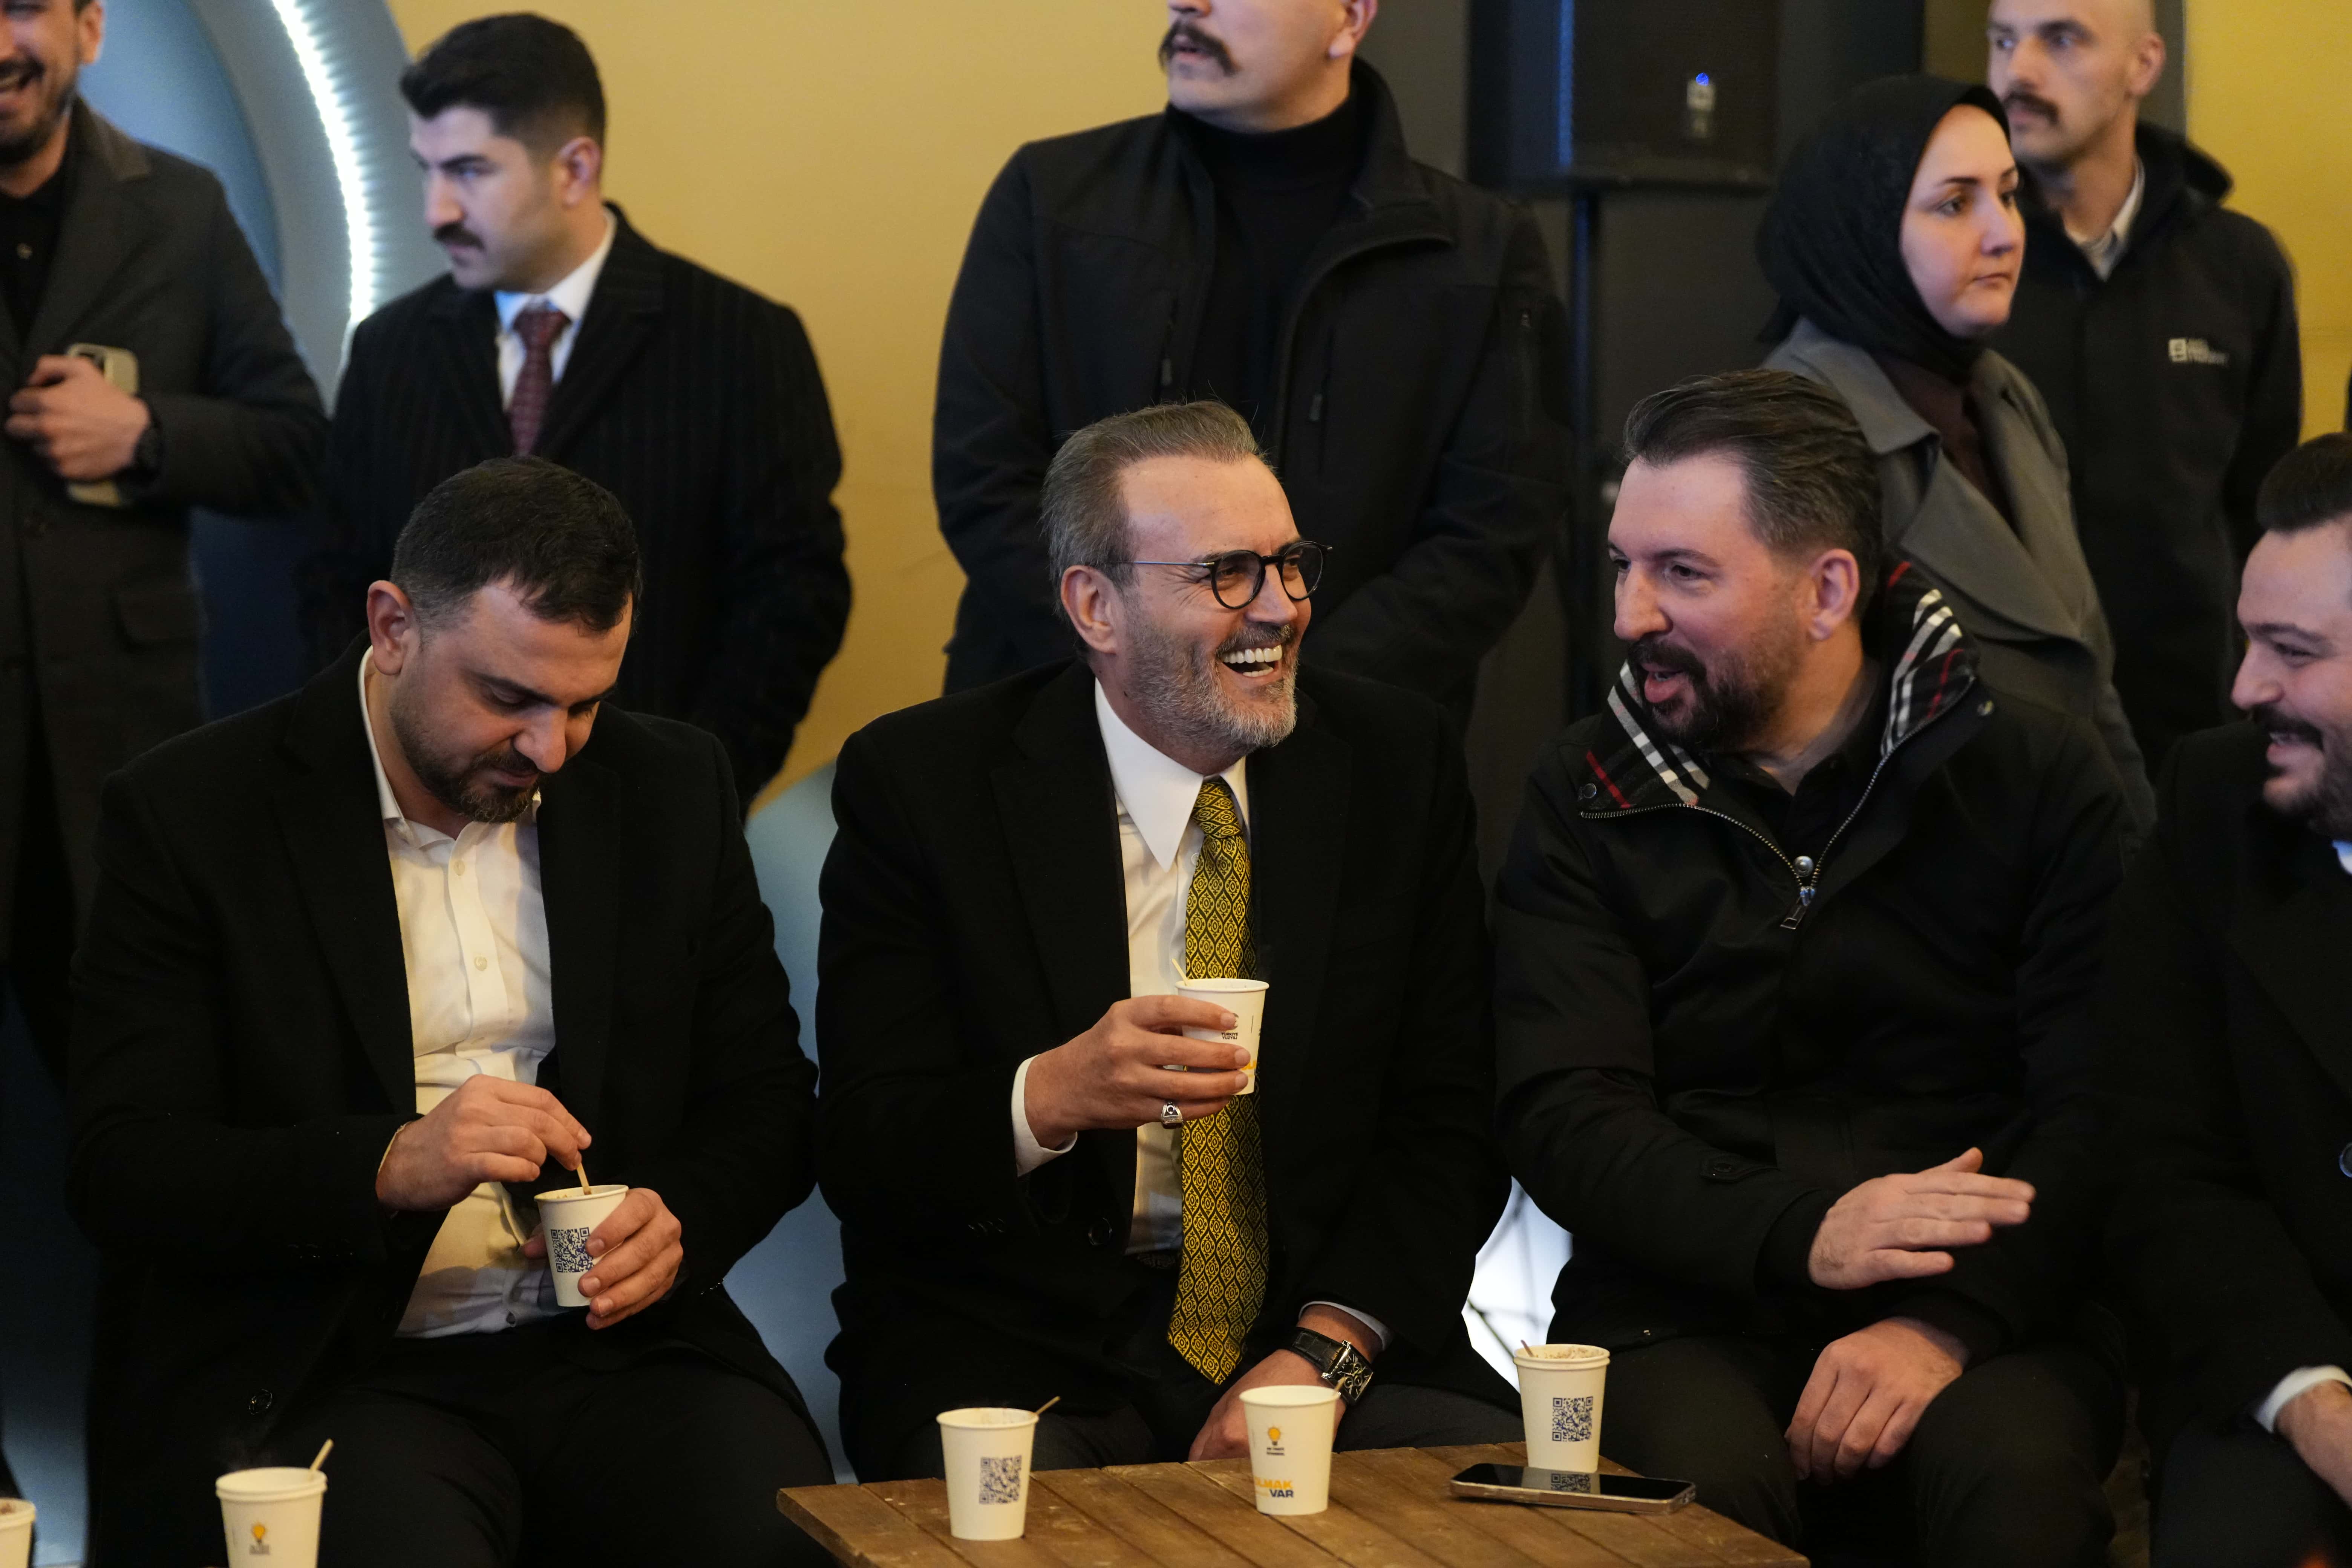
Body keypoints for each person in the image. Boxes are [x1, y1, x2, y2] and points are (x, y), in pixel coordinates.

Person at [67, 458, 832, 1565]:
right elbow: (123, 1164)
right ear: (393, 627)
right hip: (336, 1356)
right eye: (510, 698)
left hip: (619, 1349)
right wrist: (387, 1165)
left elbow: (764, 1099)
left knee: (771, 1534)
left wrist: (681, 1219)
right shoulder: (194, 812)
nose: (550, 750)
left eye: (585, 703)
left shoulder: (670, 786)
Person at [1495, 371, 2130, 1564]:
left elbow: (2102, 1113)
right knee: (1695, 1502)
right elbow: (1563, 1114)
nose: (1630, 614)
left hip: (1990, 1305)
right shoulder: (1585, 788)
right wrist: (1806, 1229)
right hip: (1677, 1302)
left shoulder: (2036, 776)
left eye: (1683, 574)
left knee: (2013, 1484)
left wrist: (1948, 1325)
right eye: (1622, 566)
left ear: (1828, 590)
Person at [819, 401, 1517, 1479]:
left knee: (1512, 1508)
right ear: (1095, 606)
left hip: (1316, 1332)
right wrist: (1048, 1097)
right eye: (1227, 574)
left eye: (1291, 565)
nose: (1280, 608)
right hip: (1019, 1345)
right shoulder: (925, 786)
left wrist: (1326, 1355)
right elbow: (868, 1146)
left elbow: (1450, 1119)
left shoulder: (1394, 763)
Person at [932, 0, 1568, 717]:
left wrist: (1284, 697)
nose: (1188, 3)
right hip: (1060, 714)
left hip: (1345, 737)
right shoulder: (1052, 197)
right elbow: (984, 478)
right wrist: (1147, 683)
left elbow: (1493, 531)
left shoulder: (1481, 249)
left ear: (1350, 17)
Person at [312, 13, 849, 802]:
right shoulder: (390, 348)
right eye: (426, 171)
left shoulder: (739, 340)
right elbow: (338, 579)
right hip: (420, 810)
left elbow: (793, 598)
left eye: (469, 171)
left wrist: (695, 789)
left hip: (644, 809)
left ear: (574, 168)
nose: (437, 211)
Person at [0, 0, 326, 1081]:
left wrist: (144, 435)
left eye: (23, 6)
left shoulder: (183, 208)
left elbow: (295, 448)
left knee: (141, 1105)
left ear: (90, 28)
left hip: (116, 765)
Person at [1760, 74, 2153, 825]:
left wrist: (2144, 861)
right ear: (1868, 227)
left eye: (2007, 194)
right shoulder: (1795, 432)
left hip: (2067, 852)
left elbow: (2085, 675)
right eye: (1954, 204)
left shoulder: (2002, 395)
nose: (2005, 233)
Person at [2104, 433, 2352, 1567]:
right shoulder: (2215, 804)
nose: (2246, 686)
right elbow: (2165, 1164)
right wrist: (2316, 1405)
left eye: (2291, 651)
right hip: (2278, 1358)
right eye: (2248, 638)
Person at [1987, 0, 2301, 775]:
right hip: (1999, 737)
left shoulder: (2238, 265)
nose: (2018, 72)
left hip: (2192, 731)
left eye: (2062, 39)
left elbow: (2265, 510)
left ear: (2144, 64)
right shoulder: (1968, 261)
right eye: (2003, 40)